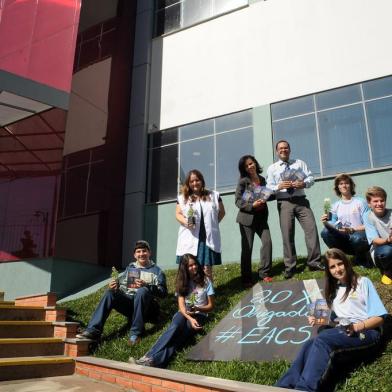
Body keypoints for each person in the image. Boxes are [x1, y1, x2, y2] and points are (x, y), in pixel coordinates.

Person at [277, 248, 387, 391]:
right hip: (344, 330)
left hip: (367, 332)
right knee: (309, 344)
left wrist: (357, 327)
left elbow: (380, 318)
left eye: (340, 264)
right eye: (332, 267)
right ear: (328, 270)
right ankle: (282, 387)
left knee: (323, 340)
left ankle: (304, 388)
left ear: (346, 263)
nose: (337, 269)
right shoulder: (333, 290)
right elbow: (335, 320)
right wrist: (319, 320)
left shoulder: (363, 282)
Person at [76, 240, 167, 345]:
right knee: (110, 292)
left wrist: (147, 286)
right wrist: (115, 287)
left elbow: (163, 293)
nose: (141, 254)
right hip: (131, 306)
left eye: (144, 251)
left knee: (142, 291)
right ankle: (93, 331)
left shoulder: (157, 271)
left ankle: (136, 333)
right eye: (138, 251)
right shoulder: (130, 269)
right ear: (134, 255)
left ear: (149, 253)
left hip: (148, 308)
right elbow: (123, 288)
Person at [134, 254, 214, 368]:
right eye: (190, 266)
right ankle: (147, 357)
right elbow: (181, 306)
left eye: (195, 264)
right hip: (184, 312)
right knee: (174, 327)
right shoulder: (182, 282)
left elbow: (211, 306)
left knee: (180, 338)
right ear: (185, 268)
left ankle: (154, 361)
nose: (194, 267)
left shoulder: (206, 281)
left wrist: (197, 309)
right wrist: (190, 318)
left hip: (199, 314)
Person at [266, 140, 323, 279]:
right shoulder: (272, 168)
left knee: (311, 229)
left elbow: (311, 178)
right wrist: (278, 187)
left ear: (289, 150)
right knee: (287, 234)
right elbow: (268, 187)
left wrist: (303, 183)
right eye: (280, 148)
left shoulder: (299, 163)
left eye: (286, 148)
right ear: (276, 151)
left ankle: (314, 262)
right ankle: (290, 267)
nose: (283, 150)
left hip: (301, 200)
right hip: (284, 202)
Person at [175, 169, 225, 282]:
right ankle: (189, 293)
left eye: (197, 180)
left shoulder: (213, 195)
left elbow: (222, 212)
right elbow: (178, 214)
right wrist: (186, 222)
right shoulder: (183, 198)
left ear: (201, 181)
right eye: (191, 181)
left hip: (207, 238)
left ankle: (208, 293)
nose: (194, 183)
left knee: (206, 267)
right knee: (190, 267)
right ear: (188, 183)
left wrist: (212, 224)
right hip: (190, 236)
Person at [235, 155, 273, 287]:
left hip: (261, 218)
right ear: (244, 169)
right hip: (246, 219)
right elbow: (238, 201)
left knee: (267, 242)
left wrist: (274, 192)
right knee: (247, 248)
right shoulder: (243, 181)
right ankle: (246, 279)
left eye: (251, 163)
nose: (250, 166)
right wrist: (252, 206)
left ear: (255, 163)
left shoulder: (263, 179)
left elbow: (268, 194)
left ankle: (265, 273)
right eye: (246, 166)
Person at [320, 173, 369, 265]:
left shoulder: (361, 202)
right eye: (341, 184)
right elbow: (332, 226)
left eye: (346, 183)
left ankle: (361, 258)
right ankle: (339, 258)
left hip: (359, 237)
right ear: (337, 187)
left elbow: (368, 224)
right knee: (325, 232)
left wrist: (352, 229)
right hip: (343, 238)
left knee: (357, 238)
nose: (344, 185)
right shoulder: (334, 206)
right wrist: (325, 222)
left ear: (351, 186)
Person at [364, 186, 392, 285]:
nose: (379, 204)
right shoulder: (368, 217)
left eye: (382, 200)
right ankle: (387, 272)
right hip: (380, 249)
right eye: (375, 201)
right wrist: (388, 240)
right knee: (386, 251)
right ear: (369, 203)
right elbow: (375, 240)